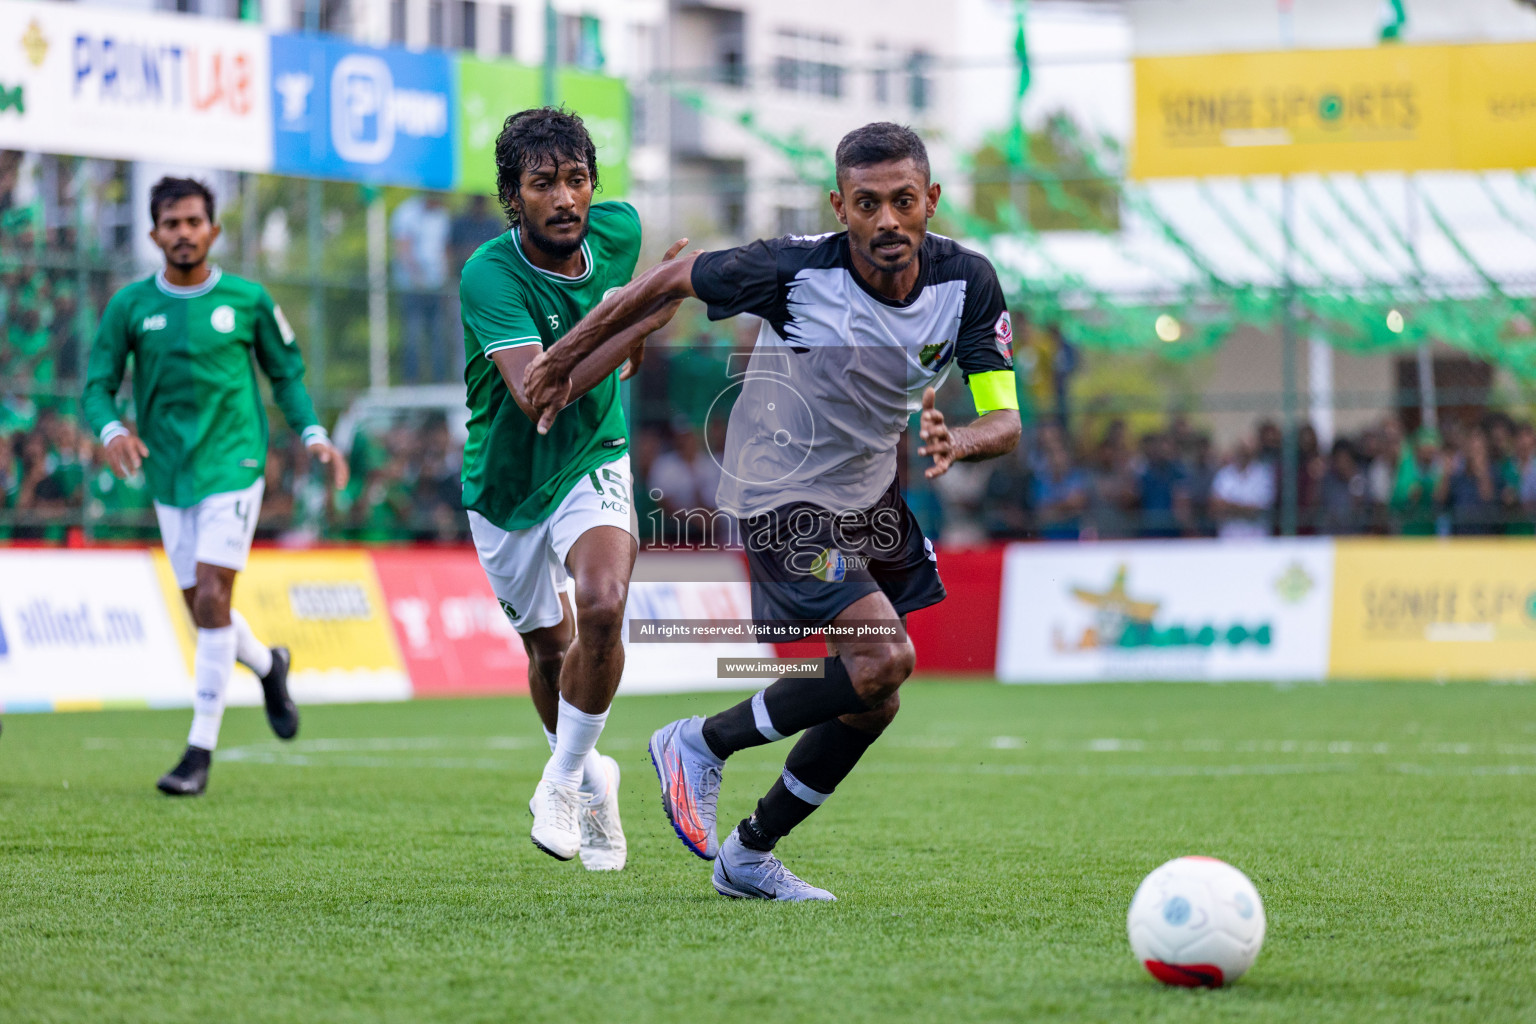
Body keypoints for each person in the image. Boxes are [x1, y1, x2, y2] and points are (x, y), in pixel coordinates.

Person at [523, 122, 1022, 900]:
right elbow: (666, 282)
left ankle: (749, 853)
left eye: (901, 201)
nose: (886, 221)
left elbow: (1006, 419)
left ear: (931, 200)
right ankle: (698, 742)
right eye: (866, 204)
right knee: (884, 660)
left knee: (874, 697)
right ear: (840, 206)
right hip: (779, 490)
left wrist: (957, 439)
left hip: (867, 495)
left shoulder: (969, 283)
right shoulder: (790, 270)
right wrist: (559, 360)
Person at [457, 107, 686, 871]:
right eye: (542, 184)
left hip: (597, 454)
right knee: (550, 653)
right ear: (512, 197)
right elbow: (541, 394)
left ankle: (559, 781)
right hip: (505, 483)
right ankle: (593, 776)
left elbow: (620, 322)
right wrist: (641, 318)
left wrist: (639, 317)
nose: (565, 199)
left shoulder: (618, 232)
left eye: (577, 179)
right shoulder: (489, 273)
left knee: (601, 604)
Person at [81, 177, 347, 796]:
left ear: (213, 230)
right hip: (169, 474)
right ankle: (268, 664)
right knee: (205, 610)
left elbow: (287, 375)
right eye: (170, 224)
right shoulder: (128, 306)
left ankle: (198, 753)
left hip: (235, 464)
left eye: (193, 221)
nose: (182, 233)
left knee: (210, 601)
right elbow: (96, 385)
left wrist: (312, 433)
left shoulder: (248, 300)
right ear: (153, 234)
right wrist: (113, 428)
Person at [391, 193, 451, 382]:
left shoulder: (443, 215)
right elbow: (403, 247)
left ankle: (439, 381)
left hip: (436, 285)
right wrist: (417, 277)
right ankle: (411, 381)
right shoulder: (406, 212)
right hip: (412, 286)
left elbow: (445, 249)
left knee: (438, 334)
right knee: (413, 334)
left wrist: (444, 278)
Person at [1210, 438, 1275, 539]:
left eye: (1246, 451)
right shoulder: (1224, 474)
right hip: (1229, 537)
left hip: (1256, 538)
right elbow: (1216, 507)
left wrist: (1230, 506)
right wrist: (1244, 507)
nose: (1243, 454)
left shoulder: (1263, 475)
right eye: (1241, 450)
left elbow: (1256, 510)